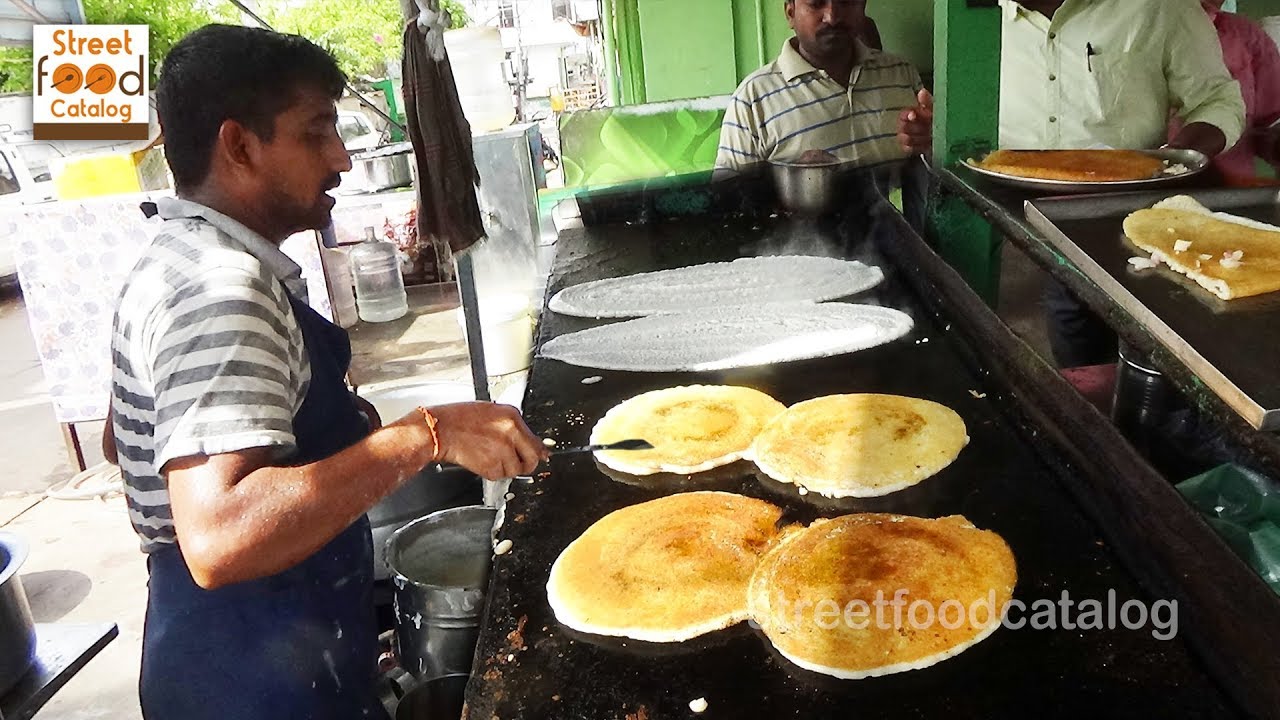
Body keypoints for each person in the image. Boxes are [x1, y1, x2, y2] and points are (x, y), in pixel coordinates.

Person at [108, 25, 546, 719]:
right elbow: (219, 537)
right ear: (240, 145)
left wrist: (323, 426)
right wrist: (422, 437)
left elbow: (123, 439)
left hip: (259, 646)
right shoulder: (222, 290)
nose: (342, 157)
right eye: (317, 132)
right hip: (255, 678)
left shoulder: (171, 258)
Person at [998, 0, 1246, 367]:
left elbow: (1218, 100)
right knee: (1071, 324)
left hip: (1127, 209)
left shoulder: (1157, 7)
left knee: (1151, 342)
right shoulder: (974, 16)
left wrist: (1174, 159)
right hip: (1007, 209)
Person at [715, 0, 933, 175]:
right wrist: (792, 183)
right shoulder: (752, 100)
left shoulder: (901, 73)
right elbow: (728, 206)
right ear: (790, 12)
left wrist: (934, 141)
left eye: (846, 2)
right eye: (816, 3)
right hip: (797, 231)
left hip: (896, 229)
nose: (832, 17)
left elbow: (929, 174)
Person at [1184, 0, 1280, 183]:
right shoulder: (1128, 32)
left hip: (1229, 199)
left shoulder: (1246, 36)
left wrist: (1275, 143)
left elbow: (1268, 124)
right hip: (1132, 191)